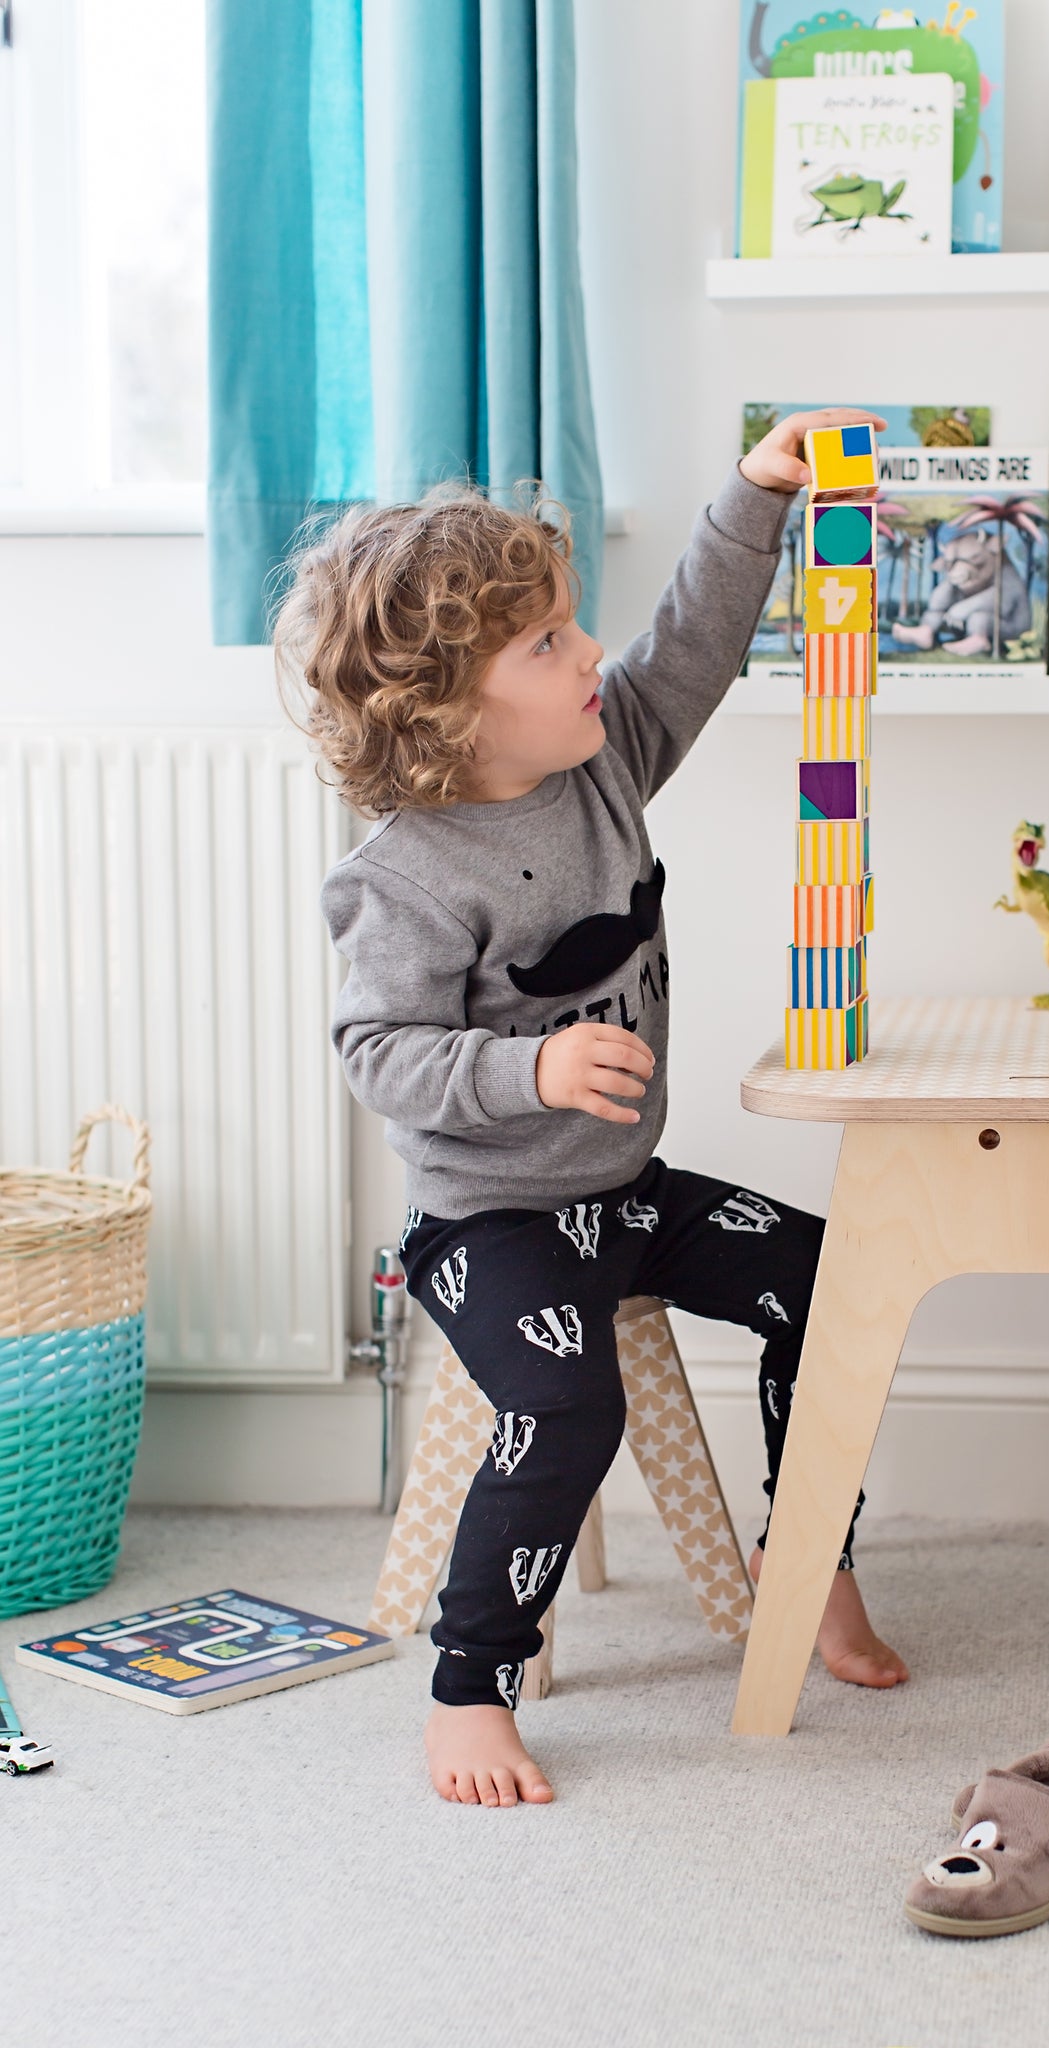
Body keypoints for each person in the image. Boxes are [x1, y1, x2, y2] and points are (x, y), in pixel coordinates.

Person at [276, 409, 907, 1808]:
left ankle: (807, 1563)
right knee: (567, 1409)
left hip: (625, 1192)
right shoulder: (407, 877)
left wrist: (754, 493)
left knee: (837, 1280)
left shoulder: (604, 759)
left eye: (571, 628)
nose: (589, 659)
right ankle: (469, 1684)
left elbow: (690, 641)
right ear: (452, 712)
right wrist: (530, 1072)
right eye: (549, 644)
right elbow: (377, 1050)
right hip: (487, 1223)